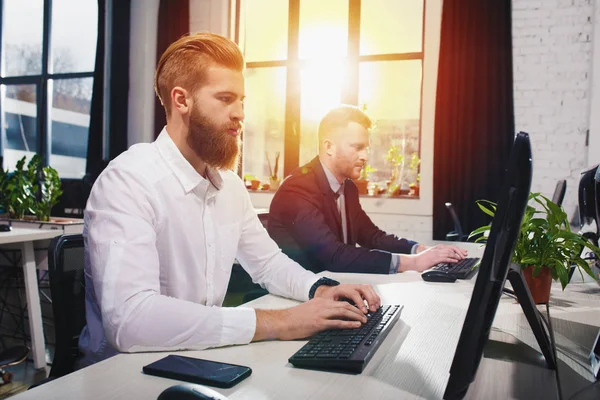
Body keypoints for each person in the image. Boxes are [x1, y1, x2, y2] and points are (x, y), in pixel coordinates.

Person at [79, 33, 380, 367]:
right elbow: (131, 321)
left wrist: (320, 289)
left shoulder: (230, 187)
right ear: (182, 100)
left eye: (241, 100)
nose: (240, 114)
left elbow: (267, 263)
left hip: (196, 357)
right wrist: (284, 321)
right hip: (122, 374)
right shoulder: (128, 181)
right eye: (225, 99)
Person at [268, 105, 468, 275]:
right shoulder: (297, 189)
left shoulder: (348, 188)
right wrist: (414, 263)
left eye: (367, 148)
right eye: (357, 147)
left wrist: (420, 250)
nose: (365, 156)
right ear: (329, 147)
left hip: (333, 287)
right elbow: (334, 256)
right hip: (292, 299)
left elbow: (371, 236)